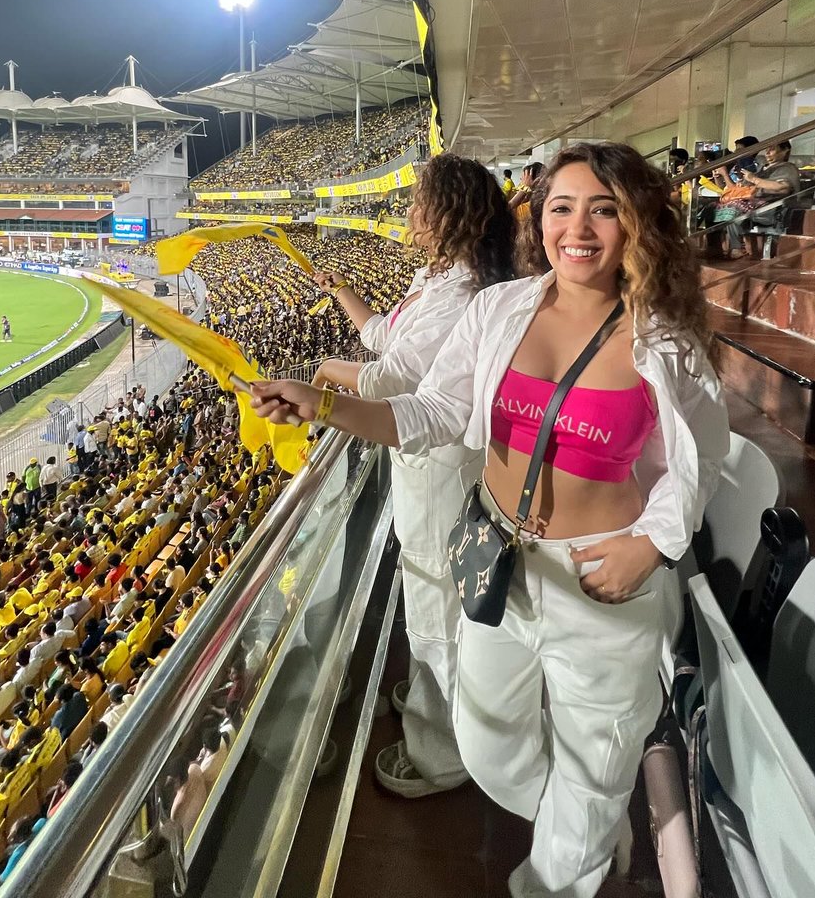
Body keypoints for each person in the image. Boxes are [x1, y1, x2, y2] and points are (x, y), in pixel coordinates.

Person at [251, 142, 729, 898]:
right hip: (501, 563)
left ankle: (560, 869)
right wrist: (325, 403)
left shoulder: (663, 340)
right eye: (562, 208)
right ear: (538, 221)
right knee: (486, 743)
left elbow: (698, 459)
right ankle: (587, 832)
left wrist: (652, 546)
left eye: (604, 210)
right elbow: (434, 410)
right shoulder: (499, 308)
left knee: (596, 767)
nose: (579, 228)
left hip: (603, 582)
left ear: (637, 224)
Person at [311, 154, 516, 798]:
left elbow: (390, 383)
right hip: (426, 474)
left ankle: (443, 753)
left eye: (418, 202)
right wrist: (341, 291)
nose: (408, 214)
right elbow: (387, 343)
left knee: (436, 614)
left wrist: (319, 374)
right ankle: (436, 704)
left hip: (440, 477)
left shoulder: (462, 296)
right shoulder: (446, 282)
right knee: (433, 603)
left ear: (448, 213)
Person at [724, 139, 801, 259]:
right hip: (754, 206)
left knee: (732, 209)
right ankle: (724, 247)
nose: (768, 153)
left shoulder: (788, 168)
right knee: (719, 209)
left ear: (785, 151)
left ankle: (736, 248)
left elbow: (782, 188)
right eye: (766, 150)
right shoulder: (763, 168)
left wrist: (754, 180)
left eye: (772, 149)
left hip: (772, 209)